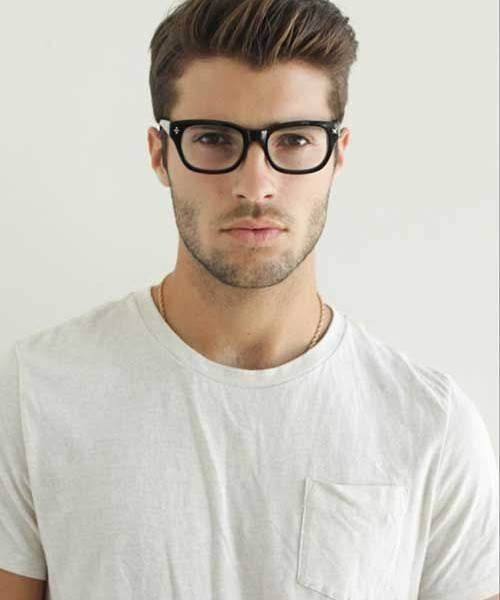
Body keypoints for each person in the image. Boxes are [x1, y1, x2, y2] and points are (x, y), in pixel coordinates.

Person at [1, 0, 498, 598]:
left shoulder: (431, 426)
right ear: (160, 155)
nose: (255, 185)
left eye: (294, 140)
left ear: (337, 155)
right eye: (213, 139)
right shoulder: (38, 390)